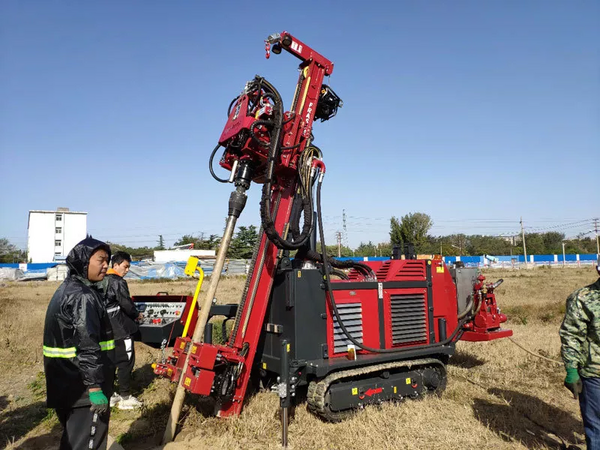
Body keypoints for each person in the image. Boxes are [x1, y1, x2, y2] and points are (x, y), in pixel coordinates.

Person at [43, 237, 114, 450]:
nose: (106, 265)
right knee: (87, 443)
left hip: (66, 384)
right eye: (100, 260)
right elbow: (88, 344)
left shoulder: (66, 289)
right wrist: (94, 388)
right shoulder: (84, 297)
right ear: (84, 261)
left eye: (107, 260)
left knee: (73, 440)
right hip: (84, 389)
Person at [559, 255, 600, 449]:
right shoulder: (583, 299)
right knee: (596, 428)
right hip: (595, 375)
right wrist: (572, 370)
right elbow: (572, 337)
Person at [104, 250, 143, 410]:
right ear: (116, 265)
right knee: (126, 361)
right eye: (125, 266)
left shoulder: (101, 279)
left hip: (104, 329)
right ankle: (125, 397)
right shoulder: (117, 282)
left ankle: (111, 395)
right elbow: (126, 304)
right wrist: (137, 314)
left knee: (109, 362)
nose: (127, 270)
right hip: (119, 328)